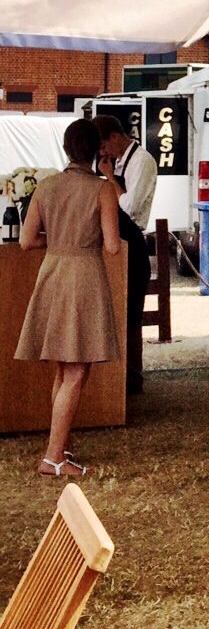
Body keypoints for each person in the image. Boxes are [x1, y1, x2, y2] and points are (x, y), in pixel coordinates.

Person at [15, 118, 122, 478]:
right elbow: (111, 246)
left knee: (62, 370)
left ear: (65, 148)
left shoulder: (45, 187)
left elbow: (26, 241)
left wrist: (58, 241)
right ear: (96, 150)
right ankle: (53, 458)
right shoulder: (102, 190)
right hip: (84, 276)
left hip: (52, 272)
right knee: (76, 371)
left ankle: (60, 447)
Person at [91, 114, 156, 394]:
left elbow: (128, 207)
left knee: (131, 314)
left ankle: (133, 377)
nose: (102, 152)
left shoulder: (142, 161)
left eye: (104, 145)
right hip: (113, 239)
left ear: (116, 136)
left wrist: (108, 180)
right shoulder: (113, 161)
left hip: (132, 241)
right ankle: (113, 376)